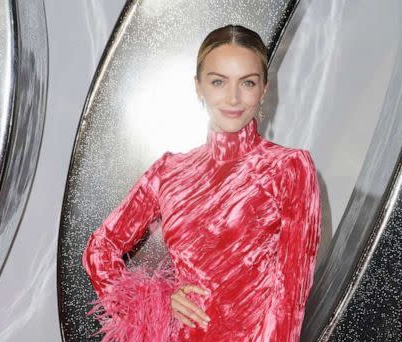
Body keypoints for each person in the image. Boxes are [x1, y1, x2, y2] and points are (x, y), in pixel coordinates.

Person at [82, 24, 321, 342]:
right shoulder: (168, 171)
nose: (233, 97)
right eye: (218, 82)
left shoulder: (290, 168)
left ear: (264, 88)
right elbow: (99, 250)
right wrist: (159, 301)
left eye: (247, 82)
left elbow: (291, 296)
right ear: (198, 87)